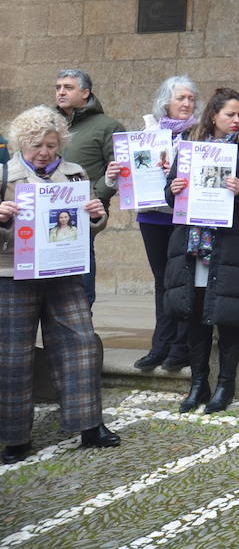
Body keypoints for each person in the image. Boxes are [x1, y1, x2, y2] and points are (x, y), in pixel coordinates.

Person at [0, 106, 121, 463]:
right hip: (13, 275)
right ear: (22, 142)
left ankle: (89, 425)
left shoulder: (75, 174)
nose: (44, 152)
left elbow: (86, 228)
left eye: (52, 145)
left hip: (63, 272)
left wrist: (97, 216)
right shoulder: (6, 173)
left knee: (80, 342)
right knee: (13, 355)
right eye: (37, 145)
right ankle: (16, 437)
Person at [164, 89, 239, 415]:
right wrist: (174, 189)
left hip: (230, 245)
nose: (237, 120)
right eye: (230, 115)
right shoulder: (190, 148)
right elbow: (170, 195)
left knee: (228, 317)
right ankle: (199, 383)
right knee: (195, 316)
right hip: (194, 244)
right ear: (214, 116)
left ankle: (225, 385)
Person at [108, 76, 199, 373]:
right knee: (162, 280)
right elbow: (132, 174)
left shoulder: (199, 136)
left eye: (190, 99)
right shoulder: (149, 134)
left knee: (182, 279)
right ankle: (160, 345)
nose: (186, 104)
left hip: (182, 214)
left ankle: (180, 346)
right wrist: (118, 171)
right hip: (152, 214)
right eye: (180, 99)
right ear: (166, 103)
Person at [54, 69, 123, 305]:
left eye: (68, 87)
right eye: (58, 87)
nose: (61, 91)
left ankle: (83, 321)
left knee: (80, 269)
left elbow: (118, 170)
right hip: (47, 207)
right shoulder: (48, 123)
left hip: (84, 211)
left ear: (85, 93)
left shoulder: (108, 126)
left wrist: (96, 197)